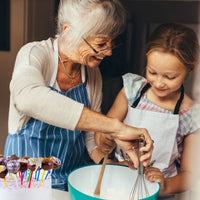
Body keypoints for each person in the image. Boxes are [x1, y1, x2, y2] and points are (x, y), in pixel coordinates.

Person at [4, 0, 153, 191]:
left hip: (71, 181)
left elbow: (89, 140)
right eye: (101, 43)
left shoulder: (92, 74)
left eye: (111, 43)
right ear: (68, 30)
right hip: (26, 184)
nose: (108, 52)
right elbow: (27, 97)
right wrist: (116, 127)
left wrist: (110, 165)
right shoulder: (35, 54)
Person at [95, 22, 200, 196]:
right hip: (119, 184)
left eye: (170, 77)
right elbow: (104, 132)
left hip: (159, 195)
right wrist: (105, 139)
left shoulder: (191, 114)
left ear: (190, 68)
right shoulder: (132, 91)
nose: (158, 82)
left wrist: (164, 185)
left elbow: (189, 175)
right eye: (152, 72)